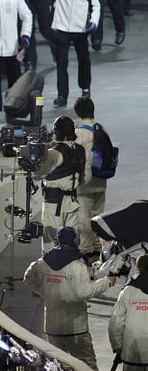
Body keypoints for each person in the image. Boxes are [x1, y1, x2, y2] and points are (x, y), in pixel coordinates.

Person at [23, 226, 115, 371]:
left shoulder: (43, 261)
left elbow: (28, 278)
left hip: (52, 327)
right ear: (75, 241)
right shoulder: (76, 265)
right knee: (87, 368)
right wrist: (107, 282)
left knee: (58, 369)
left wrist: (46, 293)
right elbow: (85, 291)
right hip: (75, 327)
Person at [38, 0, 100, 106]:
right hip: (62, 28)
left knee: (84, 59)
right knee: (62, 62)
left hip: (81, 29)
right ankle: (62, 95)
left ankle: (85, 88)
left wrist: (93, 21)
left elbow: (96, 5)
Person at [30, 116, 86, 250]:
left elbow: (37, 175)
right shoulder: (79, 150)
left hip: (54, 204)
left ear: (58, 132)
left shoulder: (54, 153)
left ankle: (50, 269)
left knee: (50, 242)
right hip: (73, 202)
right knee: (70, 240)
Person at [108, 253, 148, 371]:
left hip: (133, 352)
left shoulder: (128, 291)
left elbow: (116, 323)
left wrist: (118, 346)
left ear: (137, 268)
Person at [73, 97, 109, 257]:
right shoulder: (101, 130)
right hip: (101, 181)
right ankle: (98, 250)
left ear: (78, 113)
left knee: (84, 219)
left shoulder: (78, 133)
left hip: (84, 184)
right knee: (98, 217)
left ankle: (86, 252)